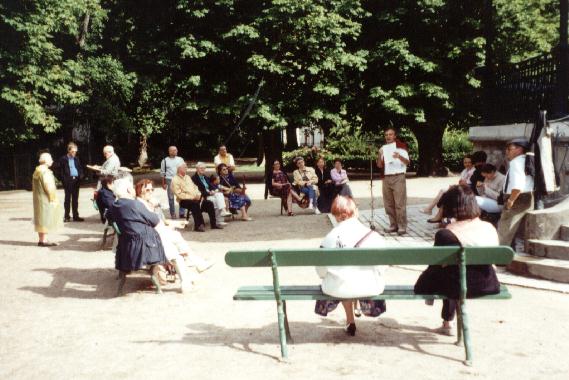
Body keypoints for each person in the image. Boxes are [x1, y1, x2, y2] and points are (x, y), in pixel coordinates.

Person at [414, 184, 501, 336]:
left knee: (448, 273)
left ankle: (447, 322)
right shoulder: (489, 228)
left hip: (457, 286)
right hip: (487, 283)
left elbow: (436, 264)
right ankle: (448, 323)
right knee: (454, 272)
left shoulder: (446, 234)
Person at [314, 196, 387, 336]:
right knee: (353, 275)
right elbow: (382, 266)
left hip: (338, 288)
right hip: (369, 286)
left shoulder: (329, 238)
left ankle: (350, 320)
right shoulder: (374, 236)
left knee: (343, 277)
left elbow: (321, 271)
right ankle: (355, 312)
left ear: (336, 216)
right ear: (355, 212)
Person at [135, 179, 214, 292]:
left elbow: (157, 222)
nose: (150, 192)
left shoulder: (144, 203)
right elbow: (153, 223)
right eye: (147, 190)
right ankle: (193, 269)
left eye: (152, 189)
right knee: (174, 245)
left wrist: (172, 223)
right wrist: (167, 221)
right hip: (151, 238)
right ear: (139, 190)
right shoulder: (140, 204)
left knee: (175, 236)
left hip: (154, 234)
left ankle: (193, 269)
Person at [107, 174, 168, 276]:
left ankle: (164, 270)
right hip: (143, 245)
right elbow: (155, 220)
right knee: (168, 238)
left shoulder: (114, 206)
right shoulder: (135, 204)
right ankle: (164, 269)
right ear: (128, 190)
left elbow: (109, 218)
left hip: (126, 244)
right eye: (132, 187)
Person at [497, 139, 534, 247]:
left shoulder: (516, 162)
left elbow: (517, 186)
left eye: (509, 149)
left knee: (504, 228)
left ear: (519, 149)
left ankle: (499, 256)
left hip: (517, 198)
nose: (507, 152)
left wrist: (510, 200)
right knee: (517, 229)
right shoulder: (527, 160)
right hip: (528, 196)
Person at [376, 127, 410, 235]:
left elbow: (407, 162)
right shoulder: (383, 148)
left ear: (395, 136)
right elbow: (379, 165)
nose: (388, 137)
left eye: (390, 134)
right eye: (386, 135)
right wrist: (379, 154)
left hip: (398, 176)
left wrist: (399, 156)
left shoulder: (401, 147)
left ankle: (402, 226)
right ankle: (393, 225)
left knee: (399, 203)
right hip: (386, 177)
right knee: (388, 204)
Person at [421, 154, 475, 220]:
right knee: (444, 193)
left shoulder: (473, 171)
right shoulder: (464, 171)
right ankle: (433, 212)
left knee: (444, 192)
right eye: (465, 162)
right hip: (461, 189)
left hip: (467, 191)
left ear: (472, 162)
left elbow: (468, 184)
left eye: (469, 162)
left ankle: (430, 210)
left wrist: (456, 186)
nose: (467, 164)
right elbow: (461, 182)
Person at [171, 163, 221, 232]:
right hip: (184, 200)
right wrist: (193, 197)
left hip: (195, 198)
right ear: (179, 169)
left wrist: (199, 195)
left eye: (186, 167)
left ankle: (214, 224)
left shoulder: (187, 177)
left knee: (209, 203)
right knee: (195, 204)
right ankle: (198, 226)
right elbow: (178, 194)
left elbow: (195, 187)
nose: (186, 169)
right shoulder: (175, 179)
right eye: (184, 167)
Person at [32, 152, 63, 246]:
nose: (52, 161)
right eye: (50, 159)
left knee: (40, 218)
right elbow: (48, 186)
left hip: (38, 198)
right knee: (45, 217)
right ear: (45, 161)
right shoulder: (45, 172)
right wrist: (53, 198)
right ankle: (44, 240)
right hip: (45, 198)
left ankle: (41, 239)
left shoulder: (37, 170)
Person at [55, 142, 84, 222]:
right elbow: (59, 171)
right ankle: (67, 216)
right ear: (68, 151)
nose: (74, 153)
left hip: (76, 180)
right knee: (67, 199)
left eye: (75, 151)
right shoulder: (63, 159)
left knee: (75, 199)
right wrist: (63, 180)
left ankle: (76, 216)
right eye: (72, 151)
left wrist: (81, 176)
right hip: (67, 180)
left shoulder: (76, 158)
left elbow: (80, 168)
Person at [160, 146, 186, 219]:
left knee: (182, 196)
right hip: (169, 180)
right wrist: (163, 183)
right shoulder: (164, 161)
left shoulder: (180, 159)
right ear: (169, 152)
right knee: (171, 198)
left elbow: (184, 169)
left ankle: (182, 213)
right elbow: (162, 173)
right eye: (173, 150)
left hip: (179, 179)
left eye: (175, 150)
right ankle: (173, 214)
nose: (175, 151)